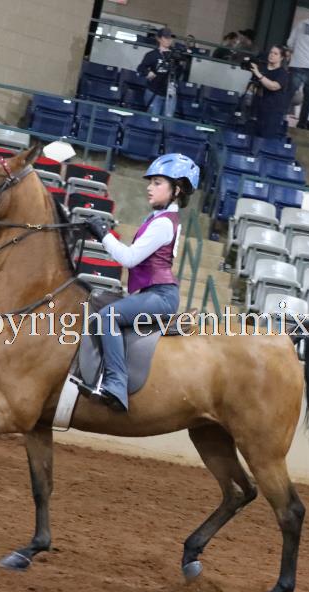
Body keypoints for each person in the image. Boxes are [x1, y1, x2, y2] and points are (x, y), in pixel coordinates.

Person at [78, 154, 199, 412]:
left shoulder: (163, 224)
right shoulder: (158, 218)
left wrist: (103, 235)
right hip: (152, 292)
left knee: (108, 316)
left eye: (157, 183)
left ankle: (116, 384)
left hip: (161, 296)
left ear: (176, 190)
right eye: (150, 182)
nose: (149, 187)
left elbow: (129, 258)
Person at [248, 45, 289, 139]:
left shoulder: (282, 73)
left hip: (272, 112)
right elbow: (252, 87)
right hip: (257, 107)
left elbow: (274, 86)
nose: (272, 55)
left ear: (281, 58)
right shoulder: (262, 68)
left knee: (265, 139)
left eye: (275, 53)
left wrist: (258, 75)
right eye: (271, 52)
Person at [137, 27, 179, 117]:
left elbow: (179, 72)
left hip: (170, 93)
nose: (168, 40)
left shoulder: (176, 55)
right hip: (154, 91)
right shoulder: (151, 55)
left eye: (170, 38)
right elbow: (141, 68)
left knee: (168, 120)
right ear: (159, 39)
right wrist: (148, 72)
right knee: (153, 119)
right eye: (165, 38)